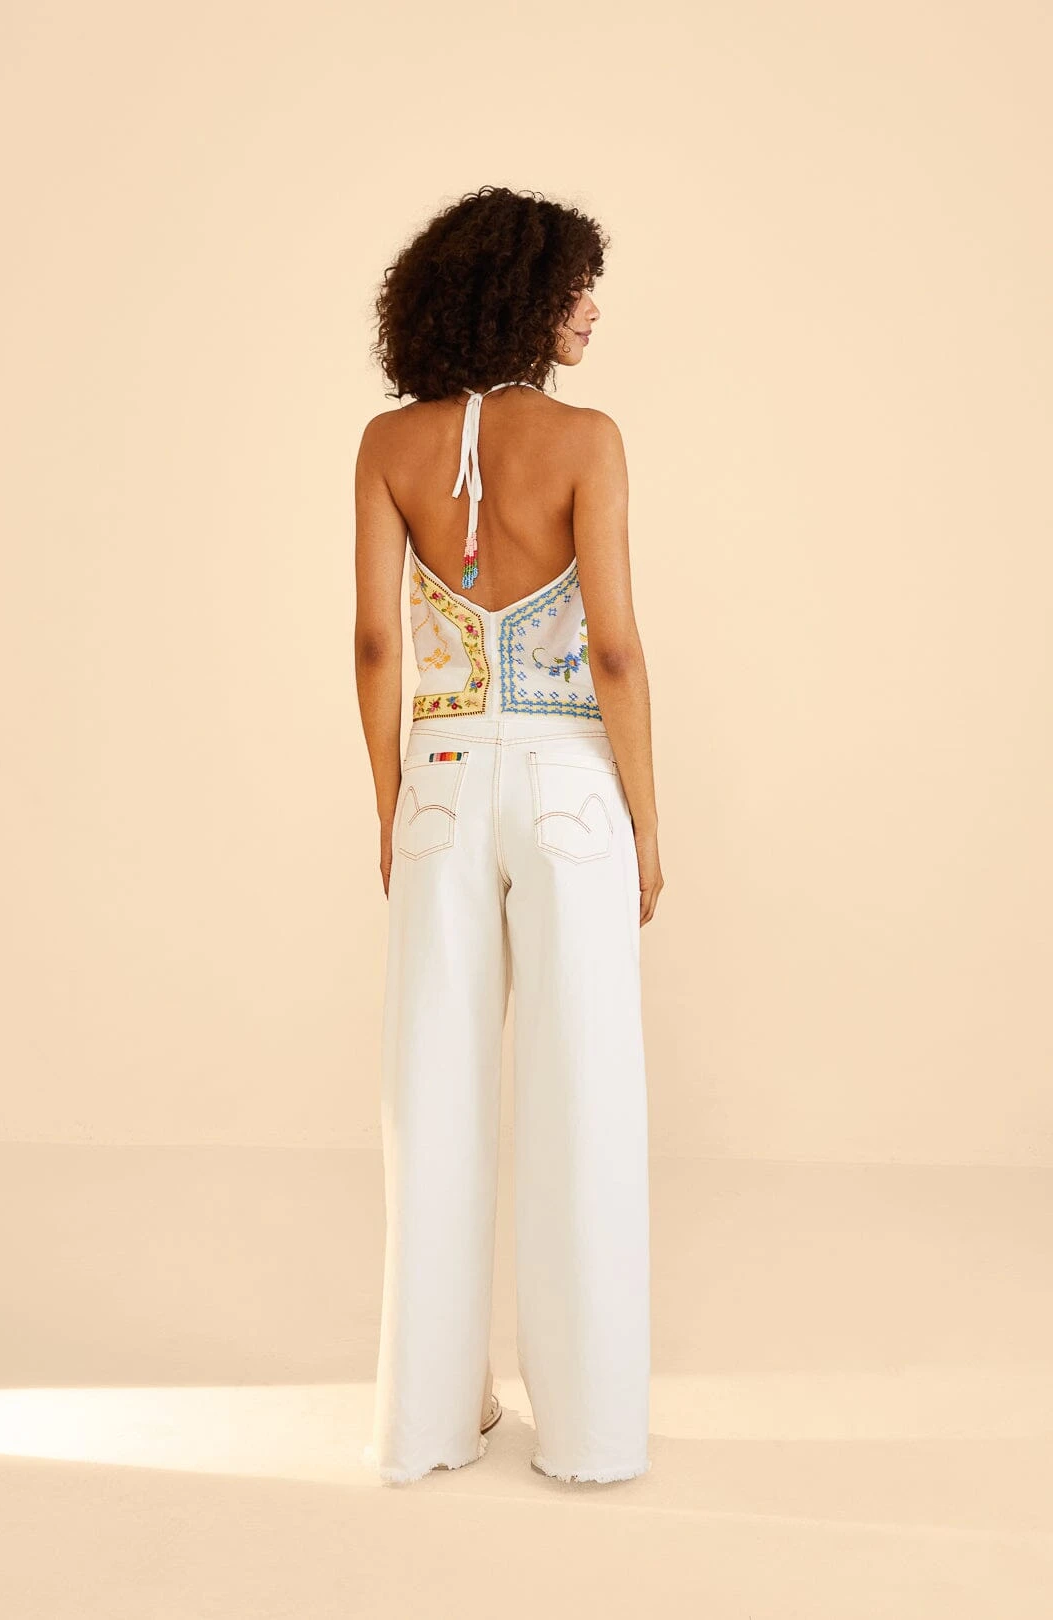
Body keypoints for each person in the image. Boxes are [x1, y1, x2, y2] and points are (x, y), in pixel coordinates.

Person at [355, 186, 663, 1485]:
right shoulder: (588, 439)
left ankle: (428, 1424)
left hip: (437, 775)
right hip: (569, 784)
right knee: (582, 1092)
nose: (592, 308)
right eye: (576, 286)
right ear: (523, 296)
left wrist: (394, 809)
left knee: (432, 1096)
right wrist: (647, 821)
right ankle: (590, 1436)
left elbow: (377, 643)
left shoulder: (389, 444)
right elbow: (615, 649)